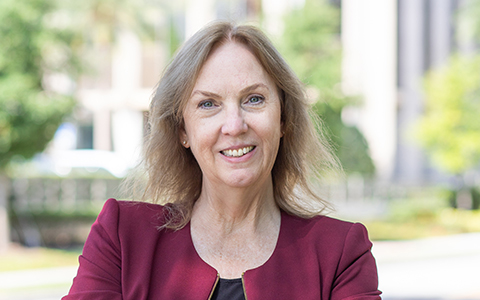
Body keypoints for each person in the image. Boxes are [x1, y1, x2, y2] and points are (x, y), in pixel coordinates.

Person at [64, 21, 381, 300]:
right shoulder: (122, 237)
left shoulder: (341, 253)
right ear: (182, 130)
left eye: (254, 99)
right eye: (208, 104)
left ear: (284, 118)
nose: (234, 125)